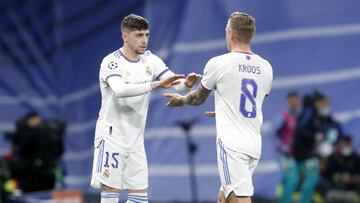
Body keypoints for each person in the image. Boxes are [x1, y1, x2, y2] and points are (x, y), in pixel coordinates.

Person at [90, 14, 201, 203]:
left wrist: (187, 84)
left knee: (140, 198)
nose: (144, 40)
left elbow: (174, 83)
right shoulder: (111, 62)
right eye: (139, 35)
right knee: (110, 196)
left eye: (147, 35)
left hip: (135, 140)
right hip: (111, 137)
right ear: (125, 36)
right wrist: (156, 85)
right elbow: (120, 90)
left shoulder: (151, 60)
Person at [165, 11, 273, 203]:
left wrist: (181, 100)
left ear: (231, 34)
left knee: (238, 199)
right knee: (224, 196)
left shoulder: (219, 63)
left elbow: (198, 98)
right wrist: (227, 108)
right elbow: (254, 103)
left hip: (232, 144)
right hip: (254, 143)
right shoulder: (266, 67)